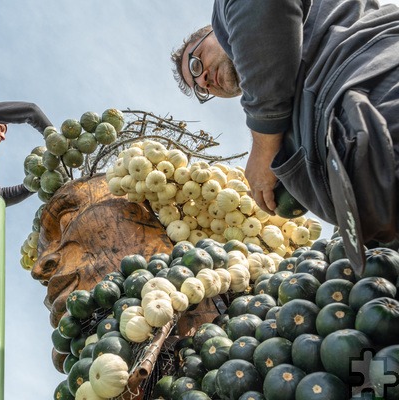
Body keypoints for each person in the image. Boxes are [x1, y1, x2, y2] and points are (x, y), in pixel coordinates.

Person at [171, 0, 399, 269]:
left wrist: (264, 146)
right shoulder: (292, 90)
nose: (204, 81)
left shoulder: (228, 8)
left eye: (196, 65)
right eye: (200, 90)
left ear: (217, 33)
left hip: (381, 107)